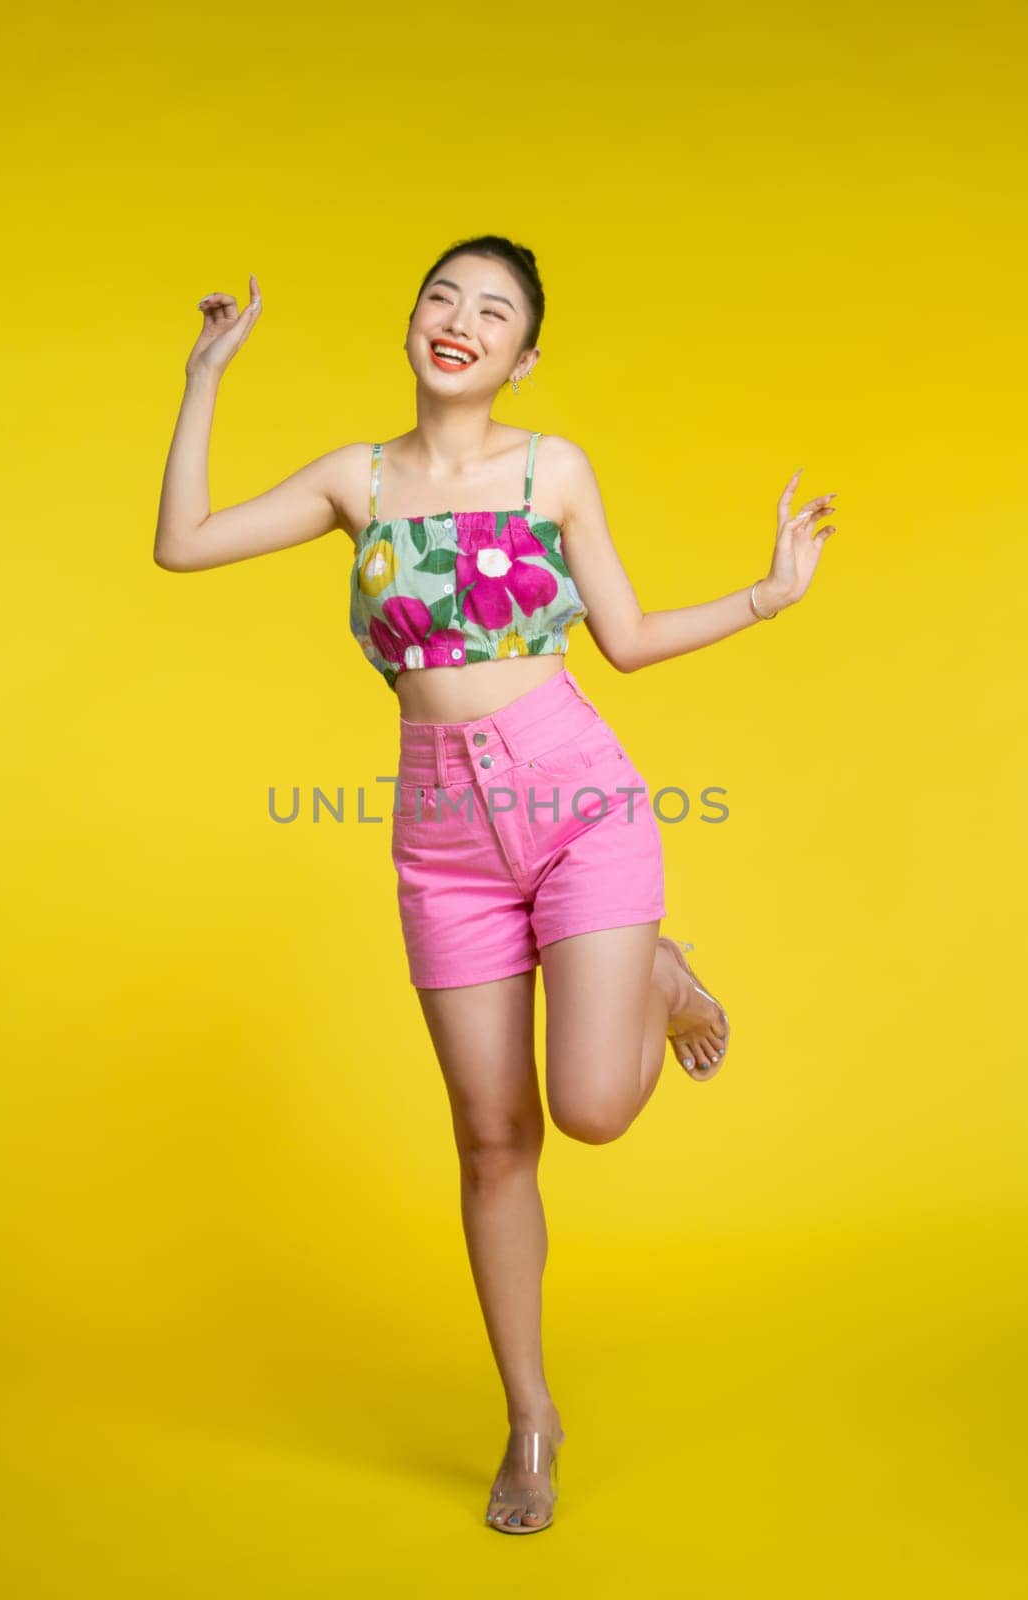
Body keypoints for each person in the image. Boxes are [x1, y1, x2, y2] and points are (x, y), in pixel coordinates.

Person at [153, 234, 837, 1535]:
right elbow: (181, 544)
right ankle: (529, 1418)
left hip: (576, 798)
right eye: (440, 297)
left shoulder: (550, 468)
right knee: (490, 1141)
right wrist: (205, 375)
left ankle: (651, 963)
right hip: (440, 838)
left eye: (494, 312)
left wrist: (764, 595)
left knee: (587, 1109)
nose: (458, 320)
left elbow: (624, 643)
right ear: (412, 323)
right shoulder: (355, 479)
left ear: (524, 358)